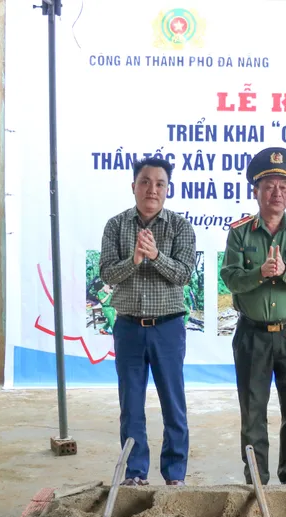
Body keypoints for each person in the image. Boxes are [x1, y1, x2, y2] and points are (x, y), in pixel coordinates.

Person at [220, 147, 286, 485]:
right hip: (253, 334)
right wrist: (261, 273)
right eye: (268, 186)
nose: (276, 193)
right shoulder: (240, 233)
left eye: (282, 186)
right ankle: (256, 478)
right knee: (253, 412)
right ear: (256, 191)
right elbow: (231, 278)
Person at [99, 156, 197, 486]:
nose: (151, 189)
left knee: (173, 404)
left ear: (168, 189)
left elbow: (183, 275)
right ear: (133, 187)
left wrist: (155, 256)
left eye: (159, 184)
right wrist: (134, 259)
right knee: (131, 405)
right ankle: (135, 473)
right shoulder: (116, 226)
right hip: (128, 328)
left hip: (168, 328)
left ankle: (175, 475)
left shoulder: (180, 227)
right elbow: (107, 274)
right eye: (145, 182)